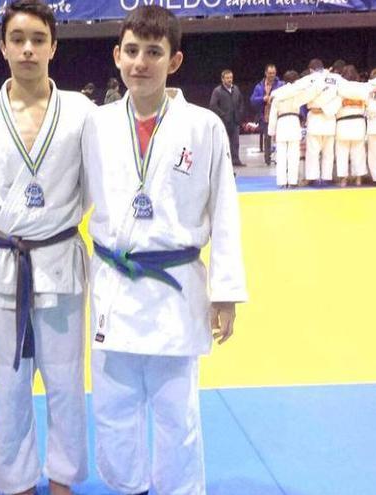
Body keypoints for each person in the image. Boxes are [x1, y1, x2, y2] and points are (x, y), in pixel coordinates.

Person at [82, 6, 247, 494]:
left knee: (177, 413)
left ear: (173, 61)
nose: (140, 63)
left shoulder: (204, 127)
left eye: (153, 53)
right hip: (113, 284)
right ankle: (127, 487)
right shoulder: (97, 124)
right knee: (114, 411)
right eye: (131, 51)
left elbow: (225, 211)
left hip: (176, 291)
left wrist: (227, 290)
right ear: (116, 55)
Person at [0, 1, 94, 493]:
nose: (28, 48)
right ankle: (15, 480)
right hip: (2, 265)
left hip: (60, 261)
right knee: (9, 383)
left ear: (54, 46)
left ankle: (61, 477)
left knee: (65, 380)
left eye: (38, 38)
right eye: (18, 39)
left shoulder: (81, 112)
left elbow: (97, 186)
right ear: (3, 47)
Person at [303, 58, 343, 184]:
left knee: (313, 152)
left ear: (311, 70)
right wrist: (326, 109)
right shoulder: (335, 79)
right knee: (328, 152)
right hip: (329, 119)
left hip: (315, 119)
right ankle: (326, 177)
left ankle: (312, 178)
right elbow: (338, 98)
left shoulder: (309, 80)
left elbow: (305, 98)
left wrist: (318, 109)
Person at [268, 70, 308, 187]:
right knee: (294, 155)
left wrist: (272, 131)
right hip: (293, 122)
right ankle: (293, 181)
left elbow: (273, 114)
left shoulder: (277, 93)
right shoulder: (298, 92)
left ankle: (281, 182)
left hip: (281, 123)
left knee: (281, 155)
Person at [334, 65, 371, 186]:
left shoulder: (340, 87)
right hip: (358, 123)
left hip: (343, 123)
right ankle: (358, 178)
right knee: (359, 151)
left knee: (342, 152)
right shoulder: (362, 88)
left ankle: (343, 179)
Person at [209, 69, 245, 166]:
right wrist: (222, 115)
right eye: (227, 78)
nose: (230, 80)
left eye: (231, 77)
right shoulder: (217, 91)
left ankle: (236, 160)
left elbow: (241, 102)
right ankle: (223, 163)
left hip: (235, 121)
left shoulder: (236, 89)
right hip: (223, 122)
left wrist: (240, 113)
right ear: (222, 79)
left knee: (235, 143)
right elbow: (213, 105)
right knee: (223, 143)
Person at [250, 64, 283, 166]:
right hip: (265, 116)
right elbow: (252, 100)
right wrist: (262, 99)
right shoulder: (259, 86)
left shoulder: (281, 84)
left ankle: (280, 158)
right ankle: (267, 159)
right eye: (269, 73)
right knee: (267, 138)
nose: (272, 75)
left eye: (273, 73)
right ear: (265, 73)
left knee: (280, 138)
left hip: (278, 116)